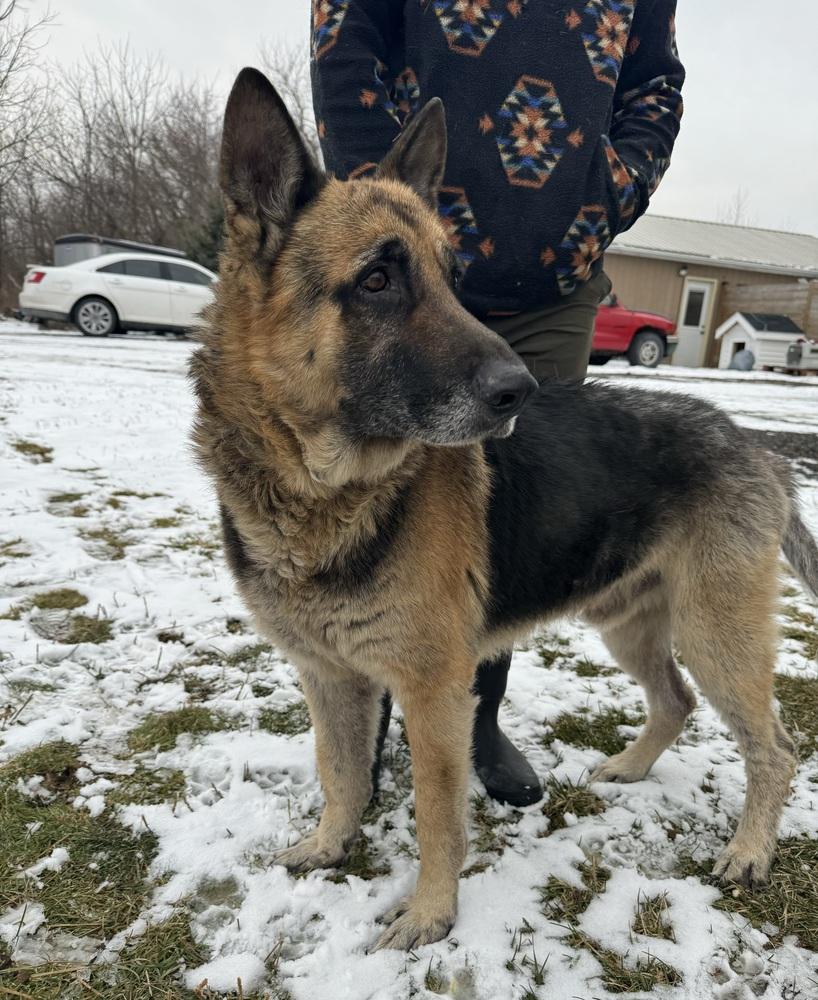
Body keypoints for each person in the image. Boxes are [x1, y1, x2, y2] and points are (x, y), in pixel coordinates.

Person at [311, 0, 684, 806]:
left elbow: (653, 83)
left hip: (555, 285)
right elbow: (346, 42)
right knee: (363, 500)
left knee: (511, 520)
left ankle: (475, 717)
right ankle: (364, 720)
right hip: (406, 274)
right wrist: (391, 214)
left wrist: (602, 201)